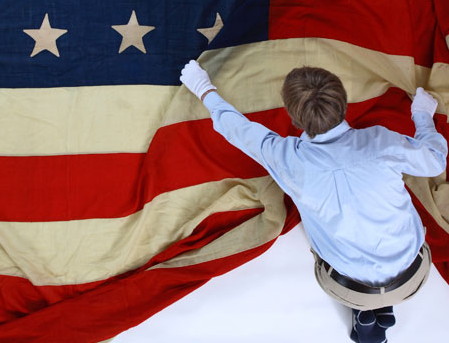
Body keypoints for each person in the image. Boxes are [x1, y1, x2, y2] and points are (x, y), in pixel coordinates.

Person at [179, 61, 447, 343]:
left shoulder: (287, 159)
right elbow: (434, 159)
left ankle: (365, 314)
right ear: (343, 102)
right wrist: (421, 116)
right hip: (412, 276)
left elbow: (238, 130)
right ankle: (380, 306)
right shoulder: (379, 141)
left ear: (294, 119)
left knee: (346, 259)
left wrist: (203, 88)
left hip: (348, 286)